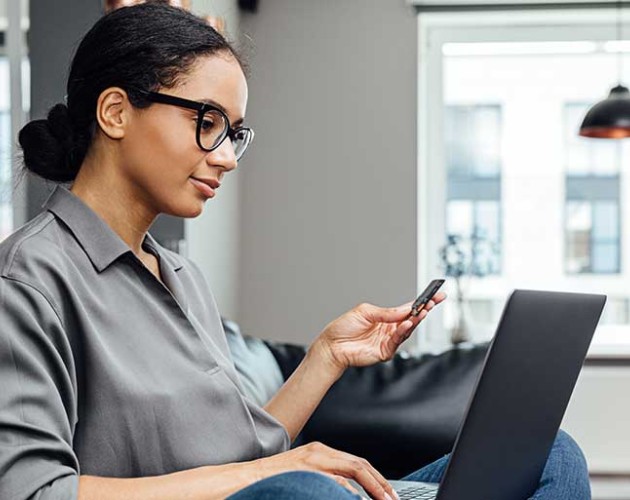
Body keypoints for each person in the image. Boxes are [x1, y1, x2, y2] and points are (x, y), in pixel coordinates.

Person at [0, 3, 590, 500]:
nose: (227, 156)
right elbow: (33, 489)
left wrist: (325, 357)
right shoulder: (30, 279)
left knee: (547, 456)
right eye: (208, 121)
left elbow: (243, 455)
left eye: (234, 133)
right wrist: (270, 472)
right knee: (305, 491)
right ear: (115, 112)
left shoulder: (180, 274)